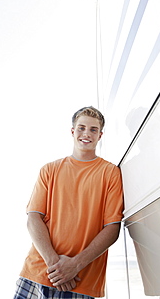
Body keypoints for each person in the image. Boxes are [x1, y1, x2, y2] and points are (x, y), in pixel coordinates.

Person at [13, 106, 124, 299]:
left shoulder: (110, 173)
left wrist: (74, 266)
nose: (86, 134)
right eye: (81, 128)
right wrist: (56, 266)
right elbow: (33, 218)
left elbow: (112, 228)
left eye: (93, 129)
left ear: (100, 135)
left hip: (80, 280)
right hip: (38, 272)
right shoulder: (49, 170)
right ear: (73, 132)